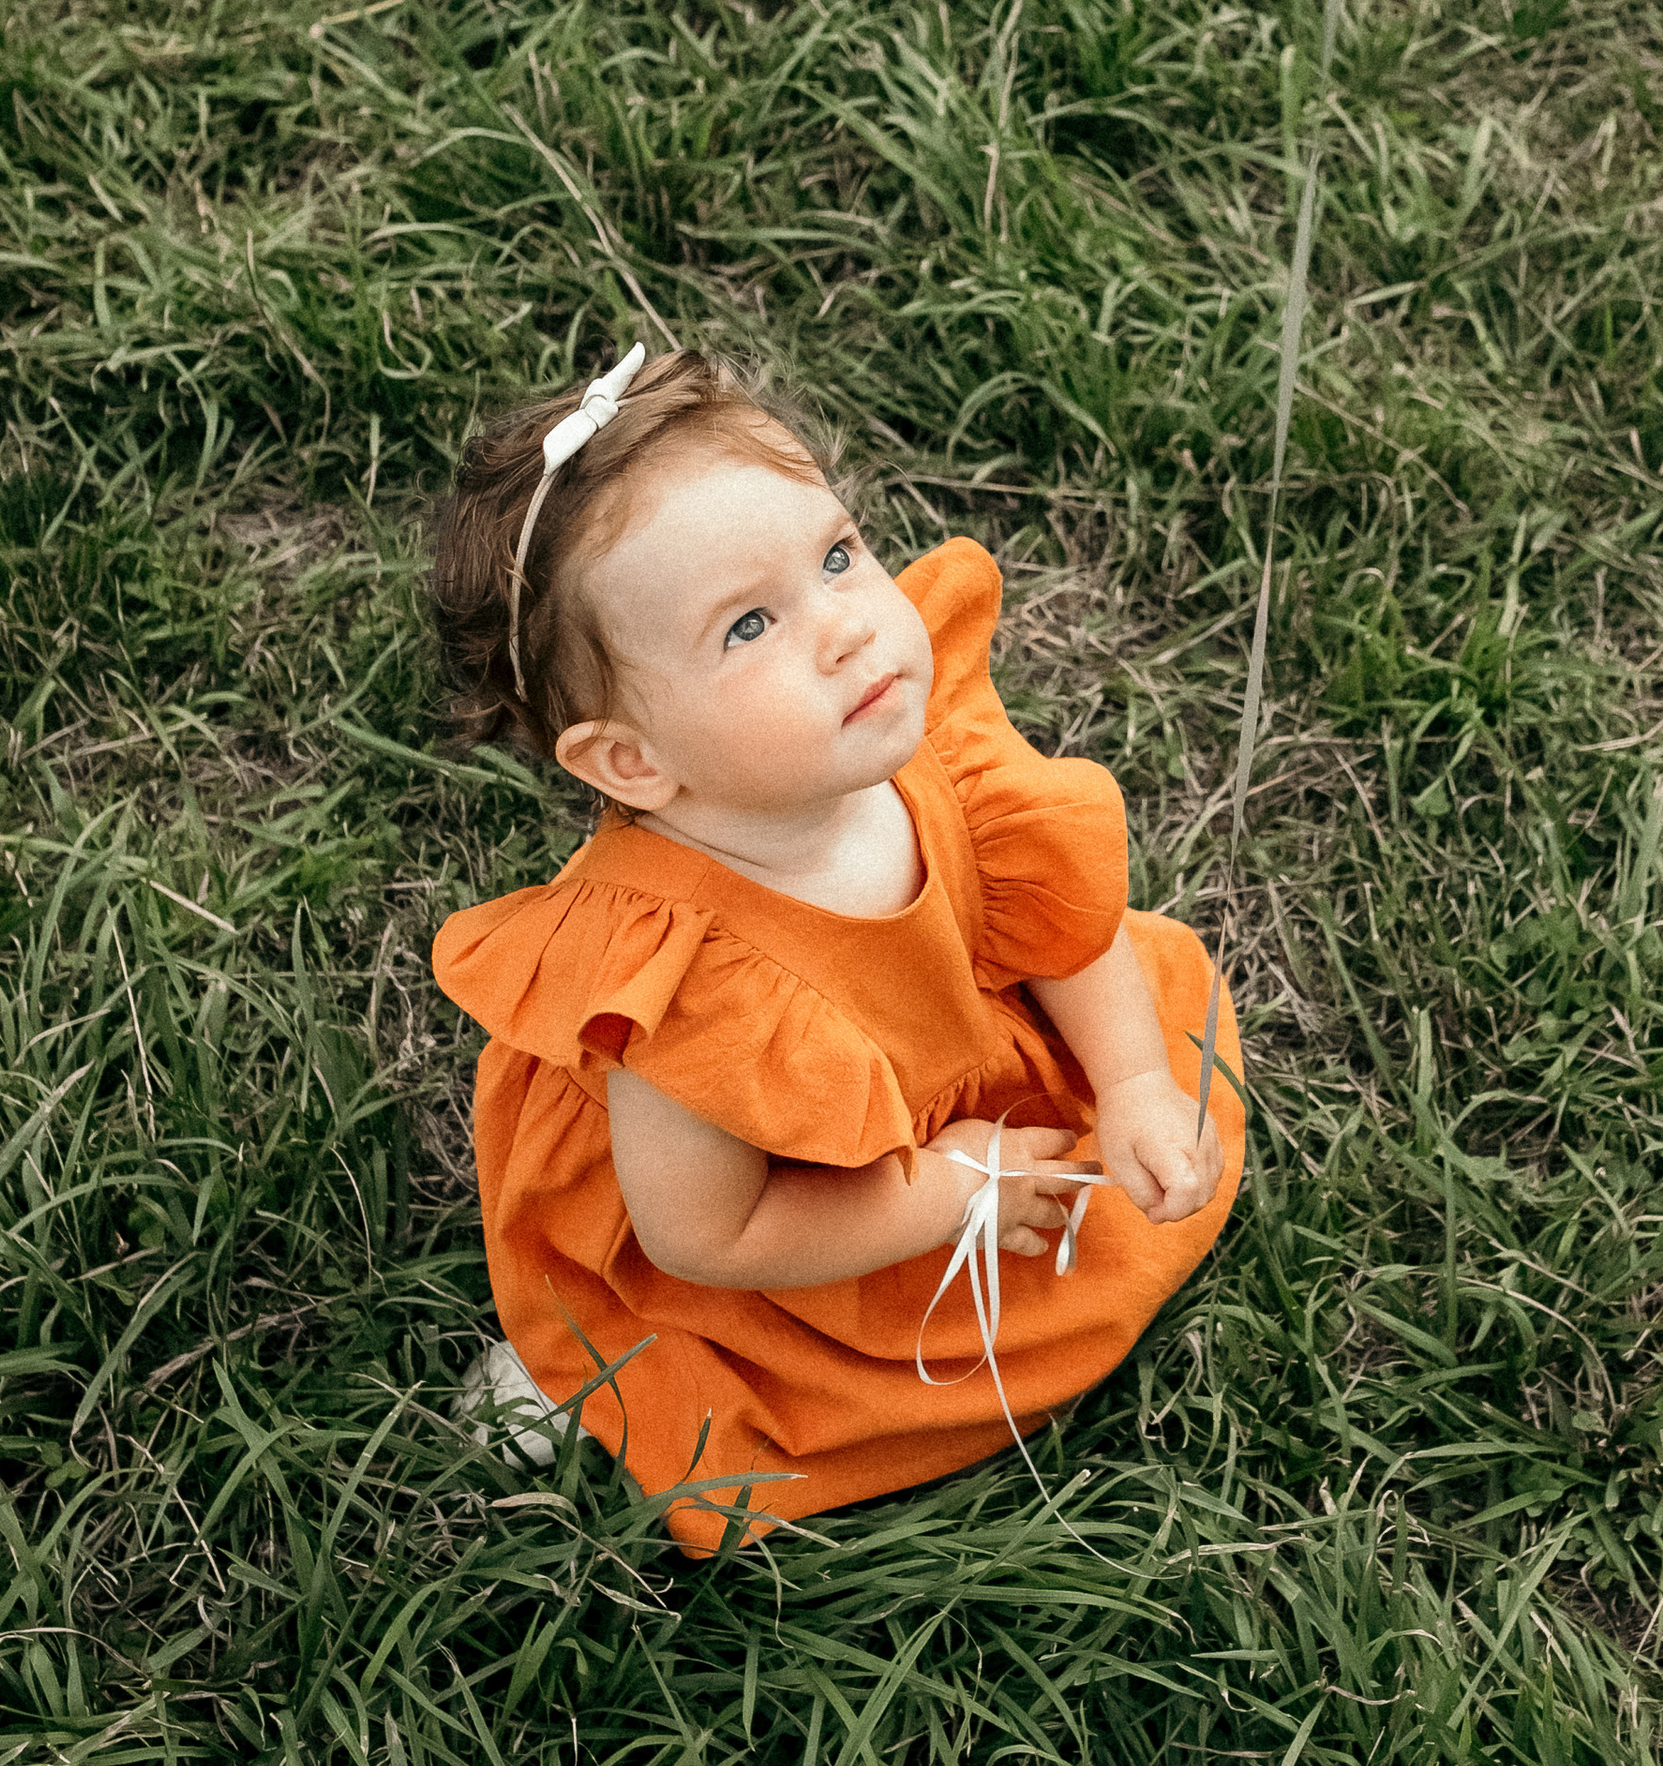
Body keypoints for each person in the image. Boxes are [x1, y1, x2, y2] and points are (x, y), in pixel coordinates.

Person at [427, 344, 1242, 1552]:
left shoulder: (929, 761)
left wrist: (1127, 1086)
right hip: (802, 1225)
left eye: (837, 556)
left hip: (965, 1078)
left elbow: (1063, 932)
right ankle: (577, 1376)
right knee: (692, 1378)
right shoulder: (681, 982)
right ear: (631, 763)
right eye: (749, 625)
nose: (847, 630)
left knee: (1146, 1068)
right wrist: (947, 1193)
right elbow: (705, 1234)